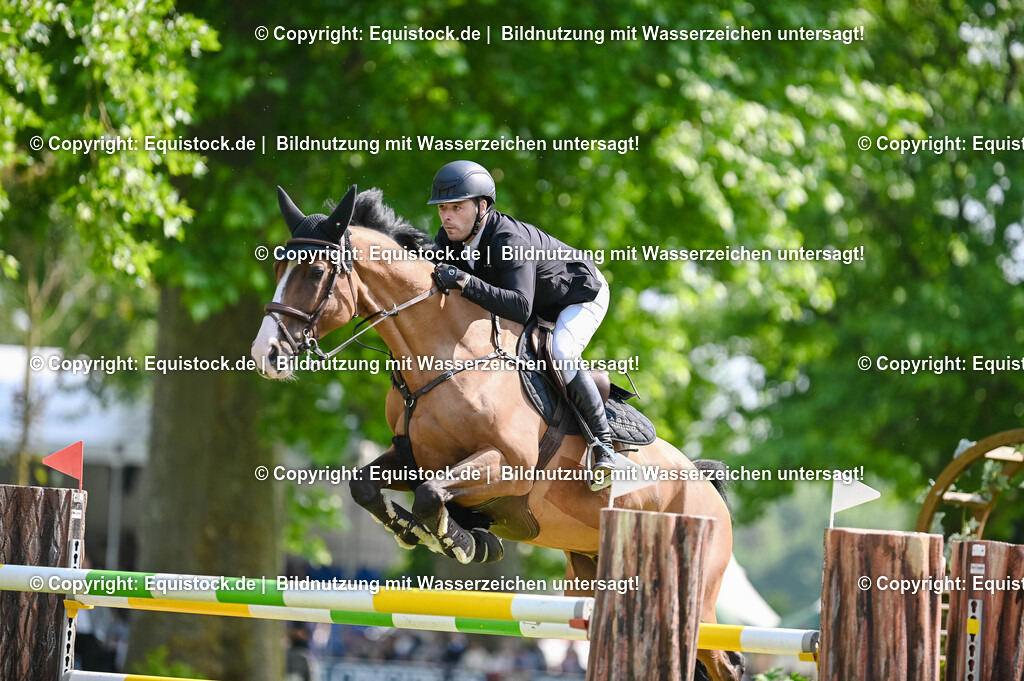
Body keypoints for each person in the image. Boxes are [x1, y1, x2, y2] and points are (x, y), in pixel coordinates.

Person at [427, 160, 616, 489]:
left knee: (562, 352)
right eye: (443, 208)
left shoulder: (507, 239)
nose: (447, 217)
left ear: (481, 207)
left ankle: (604, 447)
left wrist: (464, 281)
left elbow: (519, 306)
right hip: (539, 300)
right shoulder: (448, 238)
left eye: (457, 207)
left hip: (579, 294)